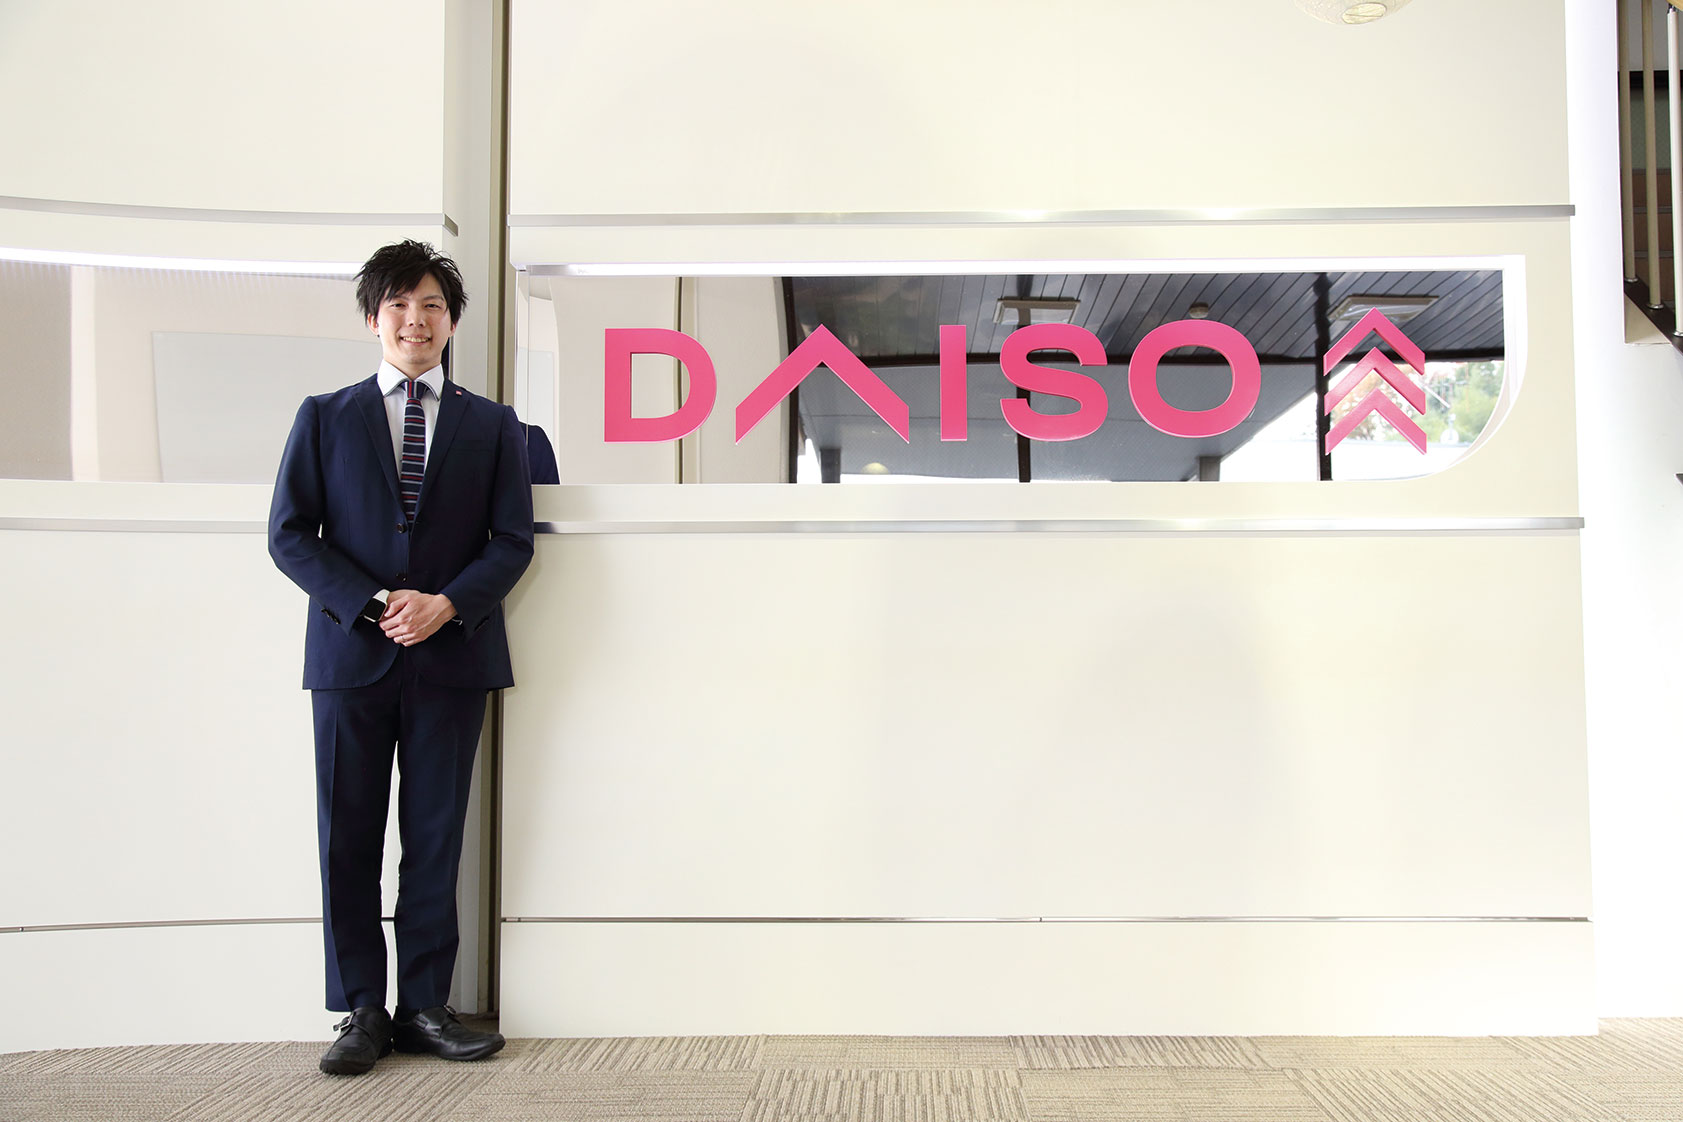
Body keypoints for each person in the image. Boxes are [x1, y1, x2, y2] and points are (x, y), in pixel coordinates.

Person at [268, 240, 534, 1076]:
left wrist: (446, 603)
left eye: (431, 306)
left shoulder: (494, 426)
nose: (415, 320)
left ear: (451, 322)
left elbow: (513, 540)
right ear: (372, 318)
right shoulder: (324, 416)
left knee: (434, 839)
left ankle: (423, 1007)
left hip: (452, 658)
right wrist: (376, 601)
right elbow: (289, 536)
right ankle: (360, 1011)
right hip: (352, 657)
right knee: (346, 837)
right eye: (398, 305)